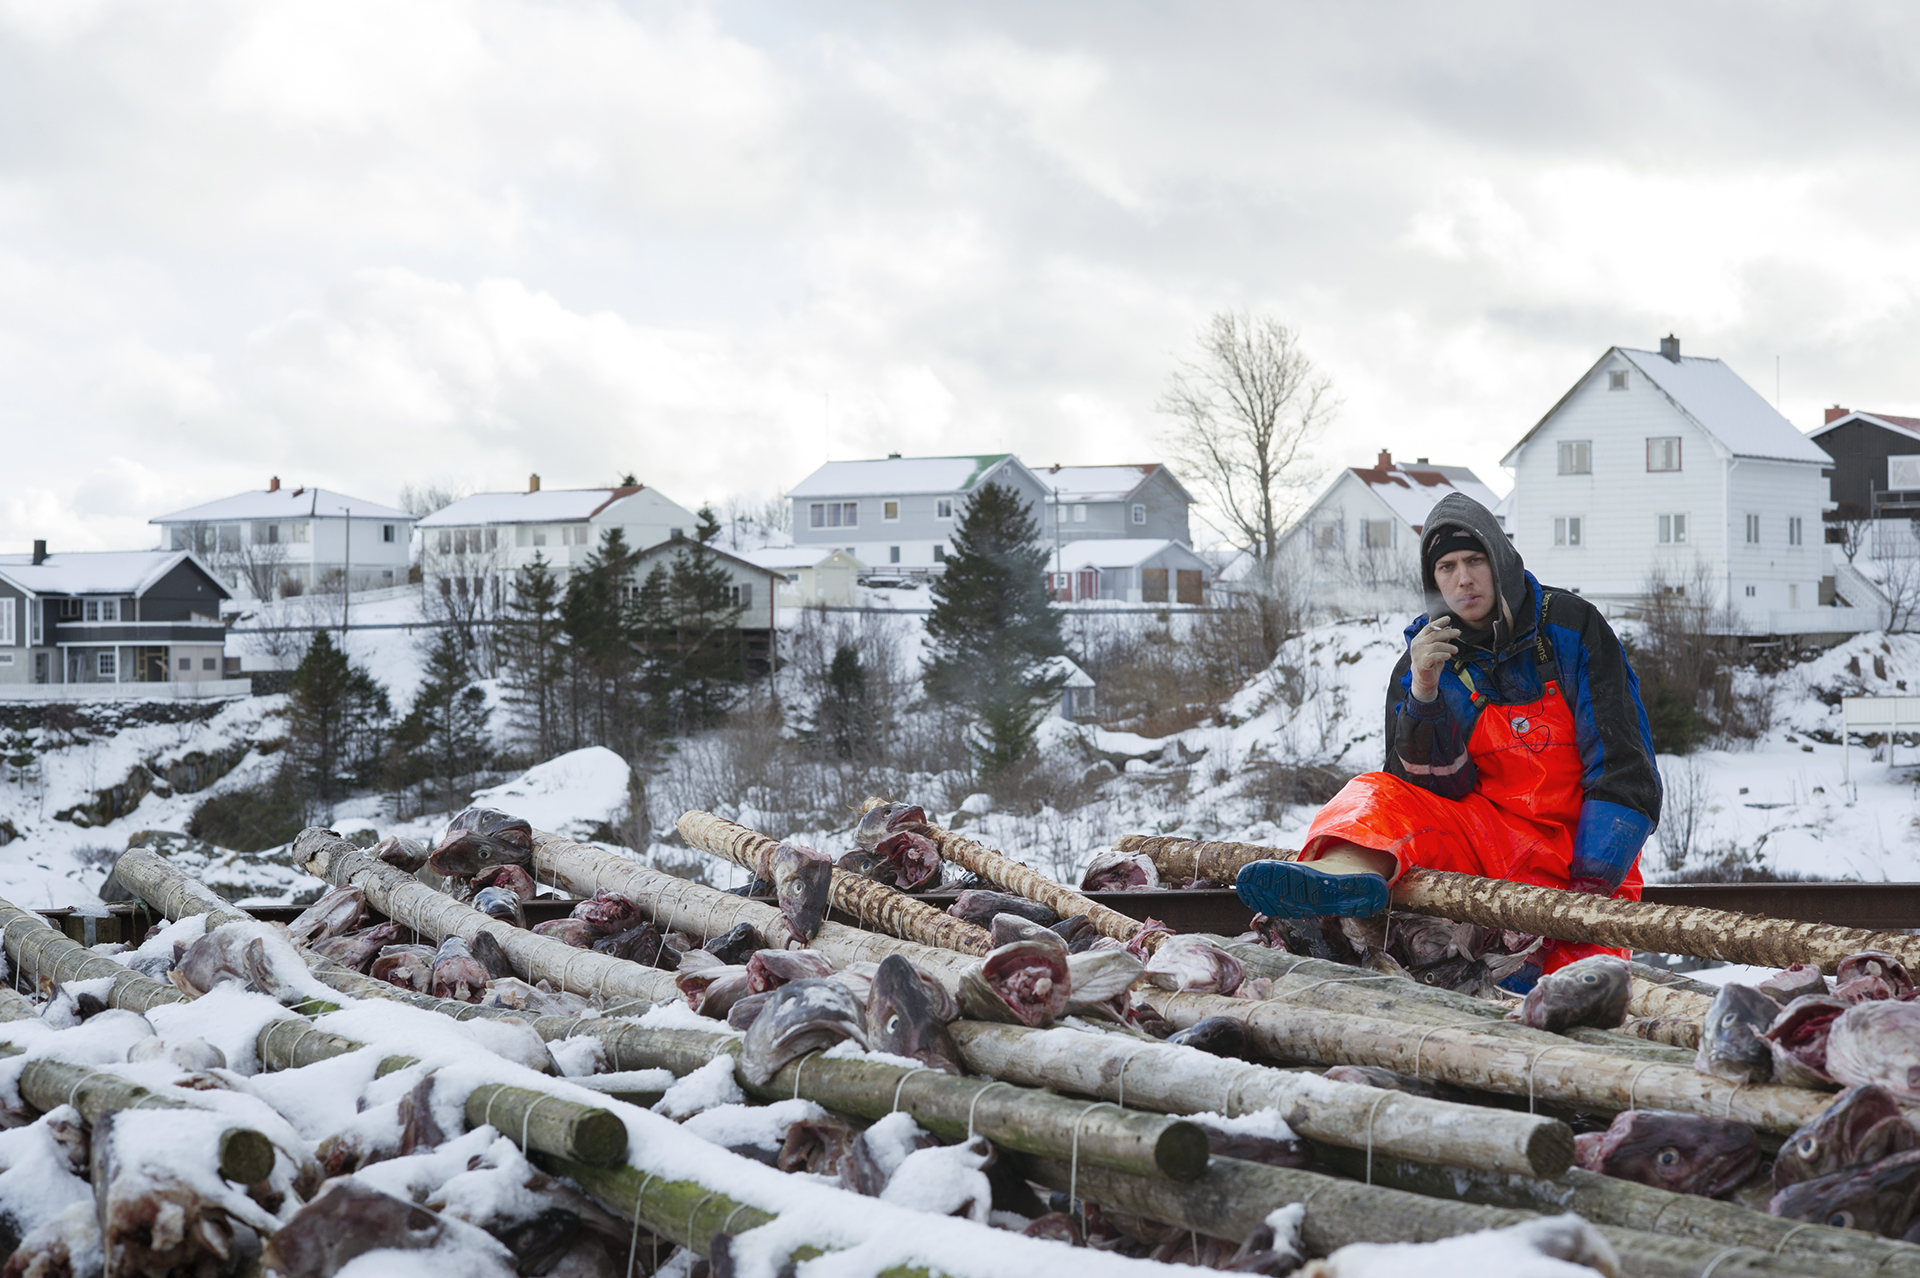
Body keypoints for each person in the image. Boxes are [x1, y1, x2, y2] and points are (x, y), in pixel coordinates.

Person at [1235, 492, 1661, 989]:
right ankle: (1339, 875)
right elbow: (1428, 794)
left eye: (1475, 560)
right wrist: (1424, 693)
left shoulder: (1571, 627)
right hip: (1489, 842)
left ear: (1498, 559)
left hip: (1580, 859)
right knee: (1374, 790)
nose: (1463, 579)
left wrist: (1587, 889)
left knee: (1578, 999)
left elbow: (1623, 766)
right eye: (1447, 567)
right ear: (1432, 581)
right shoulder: (1423, 659)